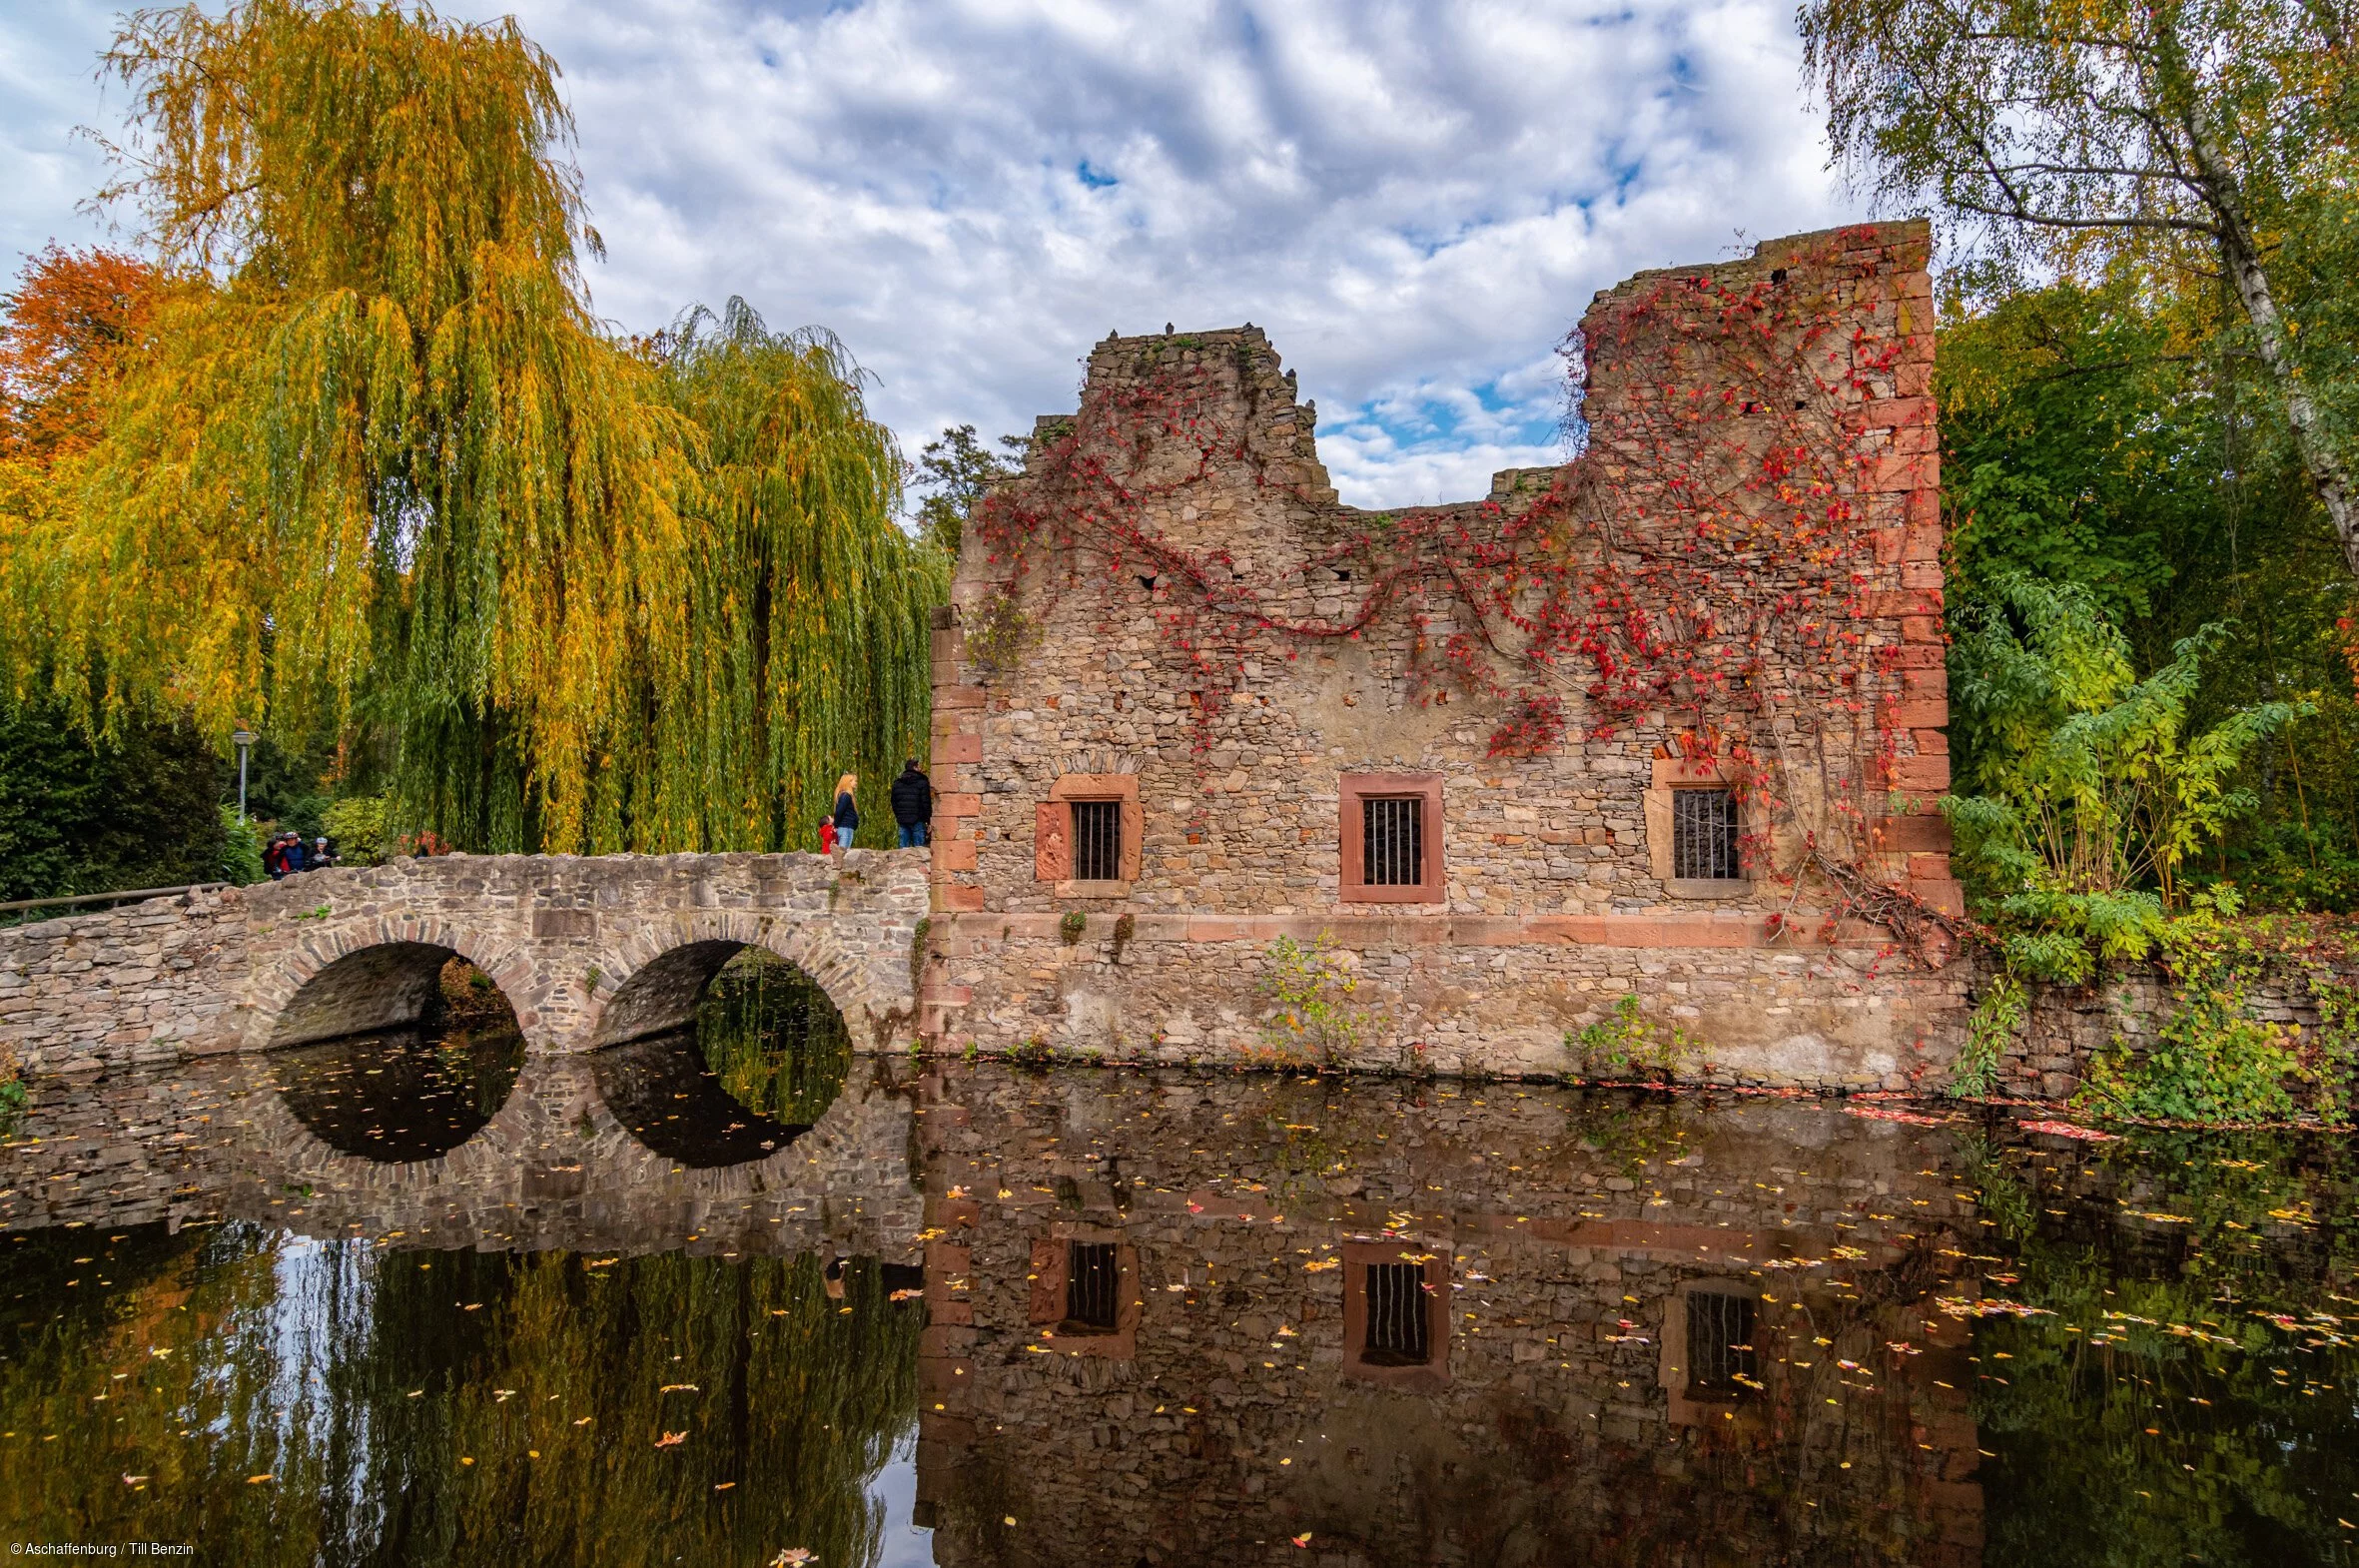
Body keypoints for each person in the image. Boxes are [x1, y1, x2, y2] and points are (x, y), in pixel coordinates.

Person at [890, 758, 933, 848]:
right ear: (914, 767)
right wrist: (928, 820)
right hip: (918, 820)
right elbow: (926, 803)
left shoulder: (897, 783)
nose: (920, 768)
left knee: (902, 850)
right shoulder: (922, 782)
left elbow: (894, 802)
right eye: (919, 766)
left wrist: (899, 816)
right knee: (920, 851)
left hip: (903, 820)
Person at [831, 773, 860, 851]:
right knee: (842, 852)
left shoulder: (847, 796)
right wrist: (836, 824)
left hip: (848, 827)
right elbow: (839, 811)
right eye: (854, 781)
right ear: (848, 782)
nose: (856, 783)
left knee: (845, 852)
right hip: (845, 827)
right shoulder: (845, 796)